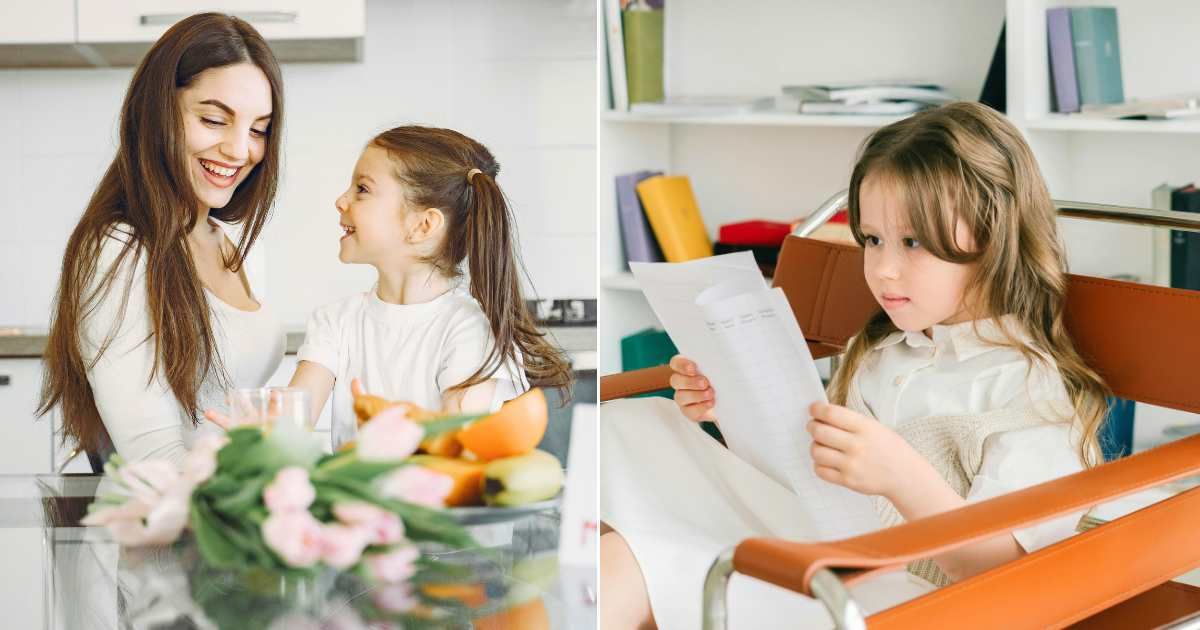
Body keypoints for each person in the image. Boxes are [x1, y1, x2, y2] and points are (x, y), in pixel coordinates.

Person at [599, 102, 1109, 629]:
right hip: (816, 554)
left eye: (912, 242)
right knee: (628, 427)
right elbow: (805, 481)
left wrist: (902, 478)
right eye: (872, 240)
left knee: (637, 566)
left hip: (903, 604)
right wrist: (727, 407)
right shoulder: (885, 352)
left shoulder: (1028, 390)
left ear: (993, 236)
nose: (884, 269)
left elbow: (1012, 570)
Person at [38, 13, 287, 467]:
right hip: (169, 524)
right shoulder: (119, 250)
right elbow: (152, 456)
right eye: (214, 120)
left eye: (258, 129)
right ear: (156, 112)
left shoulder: (233, 244)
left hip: (222, 517)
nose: (239, 149)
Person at [245, 126, 573, 448]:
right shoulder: (335, 322)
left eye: (362, 188)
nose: (341, 201)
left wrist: (384, 432)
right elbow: (289, 429)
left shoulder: (470, 331)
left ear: (422, 225)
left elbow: (454, 447)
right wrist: (257, 435)